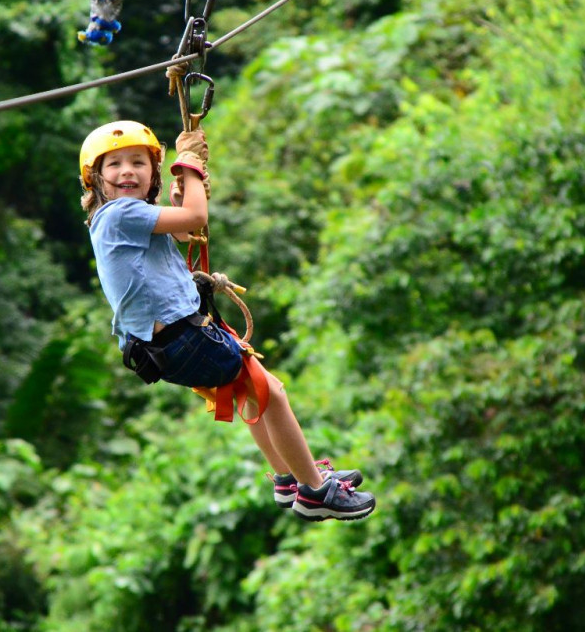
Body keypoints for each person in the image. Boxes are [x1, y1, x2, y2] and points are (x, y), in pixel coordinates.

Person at [78, 120, 376, 522]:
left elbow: (183, 232)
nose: (127, 171)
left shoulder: (131, 215)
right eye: (114, 165)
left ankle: (289, 478)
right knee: (272, 392)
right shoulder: (117, 215)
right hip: (181, 337)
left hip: (169, 344)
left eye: (138, 162)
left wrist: (182, 181)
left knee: (250, 394)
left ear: (152, 175)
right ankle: (316, 491)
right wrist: (190, 165)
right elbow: (195, 219)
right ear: (96, 178)